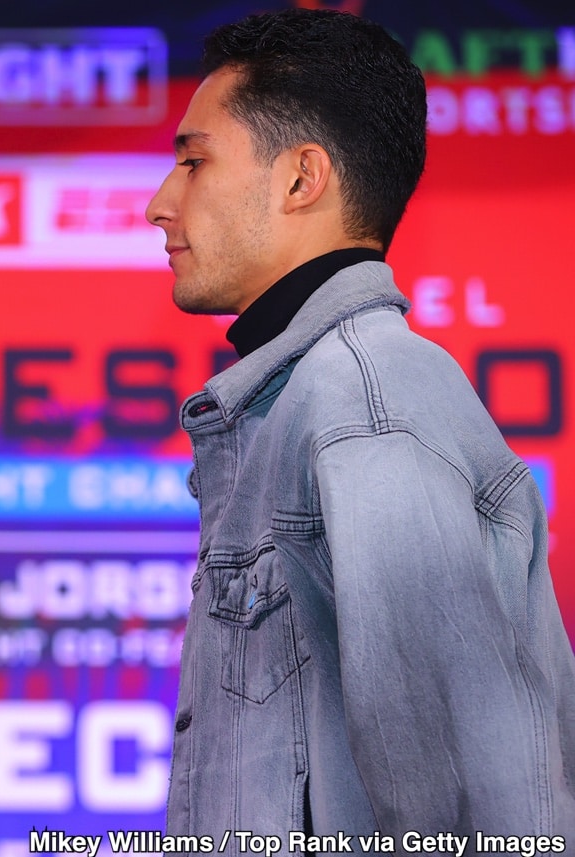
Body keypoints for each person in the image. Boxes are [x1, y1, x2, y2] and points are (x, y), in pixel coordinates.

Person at [146, 8, 575, 847]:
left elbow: (468, 814)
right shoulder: (310, 395)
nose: (160, 204)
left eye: (193, 162)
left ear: (302, 179)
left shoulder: (366, 405)